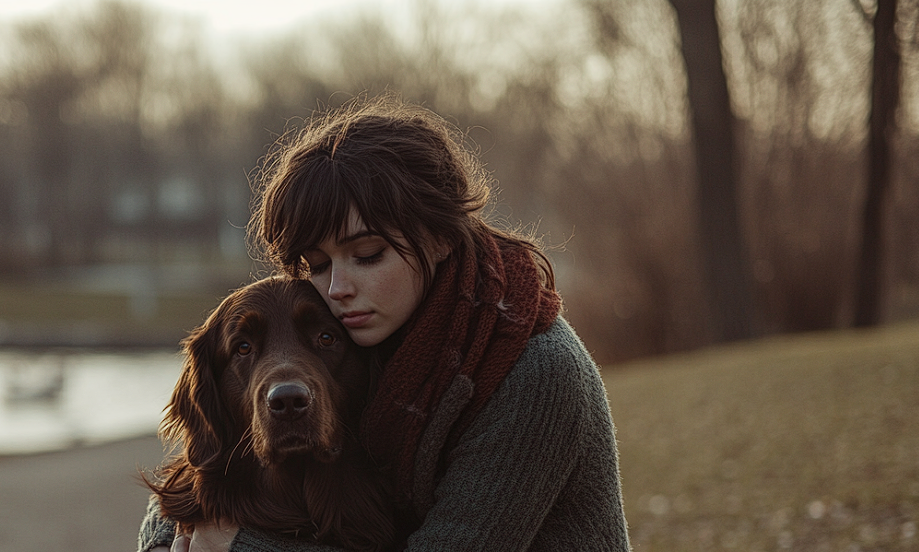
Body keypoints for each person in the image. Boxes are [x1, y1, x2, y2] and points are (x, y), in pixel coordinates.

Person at [138, 92, 631, 552]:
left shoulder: (535, 373)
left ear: (441, 238)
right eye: (320, 264)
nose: (337, 288)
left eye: (368, 254)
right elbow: (196, 470)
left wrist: (238, 546)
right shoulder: (373, 333)